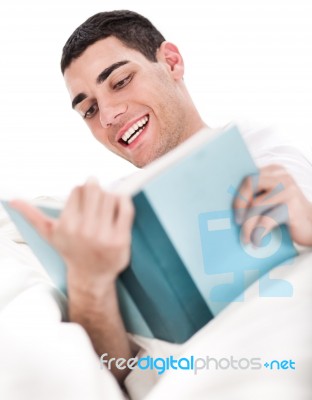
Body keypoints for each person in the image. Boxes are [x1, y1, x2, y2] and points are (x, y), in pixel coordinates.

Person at [10, 10, 312, 392]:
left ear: (171, 62)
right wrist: (91, 285)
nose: (108, 115)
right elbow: (114, 370)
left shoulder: (265, 154)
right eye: (88, 109)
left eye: (120, 81)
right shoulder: (111, 206)